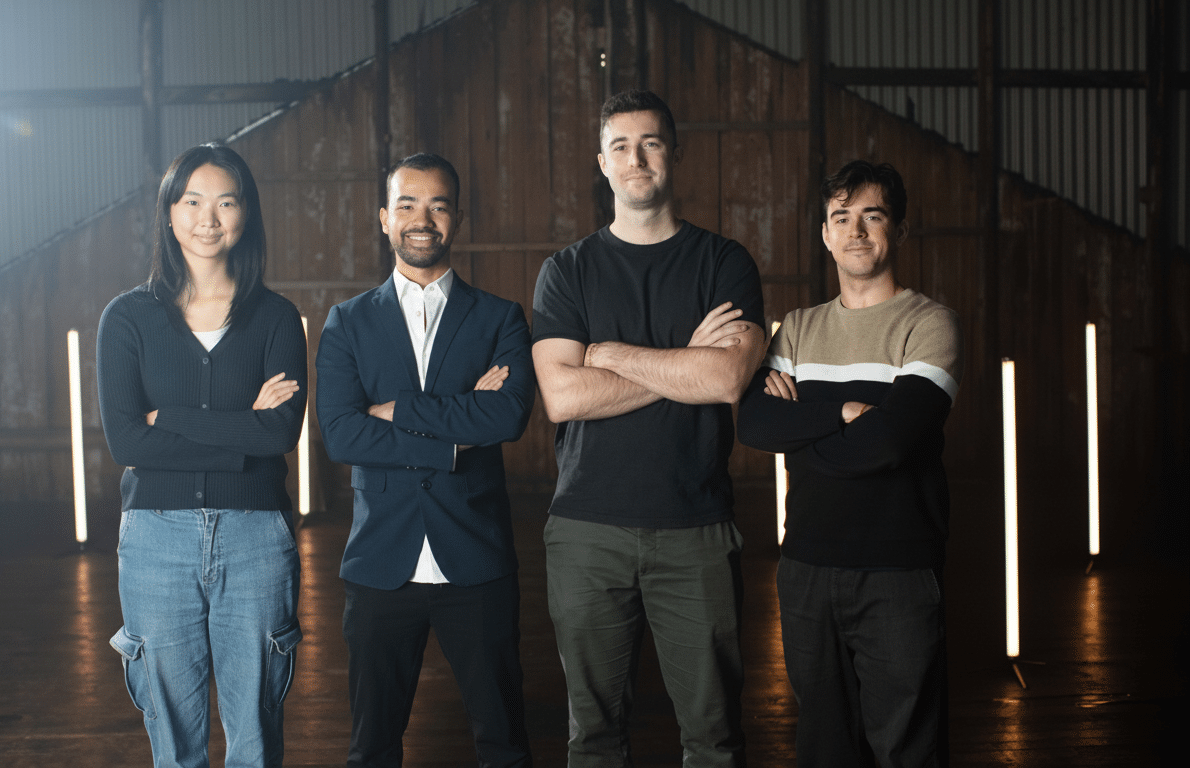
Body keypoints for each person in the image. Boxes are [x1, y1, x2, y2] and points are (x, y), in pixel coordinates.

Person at [531, 90, 765, 768]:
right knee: (594, 740)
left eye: (652, 143)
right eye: (623, 146)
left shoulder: (725, 263)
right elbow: (562, 396)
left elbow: (724, 380)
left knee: (714, 740)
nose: (638, 158)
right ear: (602, 163)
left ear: (675, 154)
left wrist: (607, 353)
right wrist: (683, 360)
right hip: (586, 531)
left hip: (696, 529)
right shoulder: (568, 271)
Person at [735, 160, 961, 767]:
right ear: (826, 234)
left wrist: (805, 422)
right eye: (842, 217)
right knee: (824, 746)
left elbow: (887, 444)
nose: (856, 230)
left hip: (898, 573)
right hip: (806, 568)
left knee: (907, 747)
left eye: (873, 215)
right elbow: (754, 424)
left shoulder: (928, 323)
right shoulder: (798, 329)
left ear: (900, 231)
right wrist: (843, 413)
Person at [316, 153, 535, 768]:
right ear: (384, 219)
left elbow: (508, 417)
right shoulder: (348, 322)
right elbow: (340, 435)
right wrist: (456, 426)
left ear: (456, 219)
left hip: (477, 559)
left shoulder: (499, 317)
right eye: (407, 205)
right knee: (372, 749)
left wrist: (393, 411)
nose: (422, 218)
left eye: (438, 205)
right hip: (381, 563)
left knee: (505, 746)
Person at [97, 142, 307, 768]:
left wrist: (176, 422)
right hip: (155, 539)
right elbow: (127, 443)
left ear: (247, 214)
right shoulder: (127, 318)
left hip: (256, 539)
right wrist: (244, 428)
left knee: (255, 733)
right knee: (174, 738)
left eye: (225, 201)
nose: (207, 218)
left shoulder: (275, 317)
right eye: (191, 201)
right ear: (168, 212)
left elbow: (280, 435)